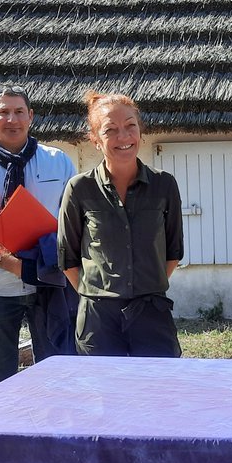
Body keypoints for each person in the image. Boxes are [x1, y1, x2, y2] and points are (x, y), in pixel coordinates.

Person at [0, 85, 78, 386]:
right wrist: (10, 262)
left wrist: (51, 259)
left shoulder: (58, 161)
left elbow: (75, 218)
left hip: (50, 284)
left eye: (19, 112)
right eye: (3, 112)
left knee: (58, 371)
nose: (12, 119)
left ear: (31, 116)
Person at [57, 92, 183, 356]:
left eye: (130, 126)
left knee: (159, 391)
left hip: (152, 313)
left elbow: (173, 252)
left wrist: (143, 286)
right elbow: (67, 258)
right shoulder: (80, 188)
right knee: (103, 395)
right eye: (110, 130)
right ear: (95, 140)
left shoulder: (164, 185)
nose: (123, 137)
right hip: (98, 320)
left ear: (140, 131)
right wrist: (102, 292)